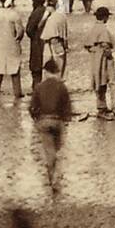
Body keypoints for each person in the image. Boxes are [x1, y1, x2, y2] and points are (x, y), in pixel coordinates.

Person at [29, 58, 71, 191]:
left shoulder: (39, 86)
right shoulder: (61, 86)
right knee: (57, 149)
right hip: (57, 121)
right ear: (57, 72)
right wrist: (65, 121)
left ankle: (50, 176)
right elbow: (67, 108)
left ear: (46, 72)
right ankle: (56, 175)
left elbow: (32, 107)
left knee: (49, 150)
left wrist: (36, 119)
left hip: (44, 121)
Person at [0, 0, 24, 100]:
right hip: (12, 44)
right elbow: (20, 32)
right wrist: (18, 39)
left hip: (0, 45)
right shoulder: (14, 15)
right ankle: (17, 92)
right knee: (14, 69)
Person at [87, 6, 115, 116]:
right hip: (104, 57)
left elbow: (87, 45)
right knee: (113, 81)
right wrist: (108, 53)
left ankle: (101, 105)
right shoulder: (103, 29)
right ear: (105, 17)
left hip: (94, 57)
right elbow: (105, 44)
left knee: (98, 80)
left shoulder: (93, 28)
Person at [41, 0, 69, 79]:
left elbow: (50, 35)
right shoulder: (62, 16)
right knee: (60, 66)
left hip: (52, 43)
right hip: (61, 42)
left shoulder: (51, 19)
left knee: (50, 67)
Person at [24, 0, 48, 88]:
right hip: (46, 41)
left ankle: (36, 88)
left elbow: (29, 29)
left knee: (36, 67)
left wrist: (33, 36)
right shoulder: (47, 11)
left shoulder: (36, 12)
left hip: (37, 42)